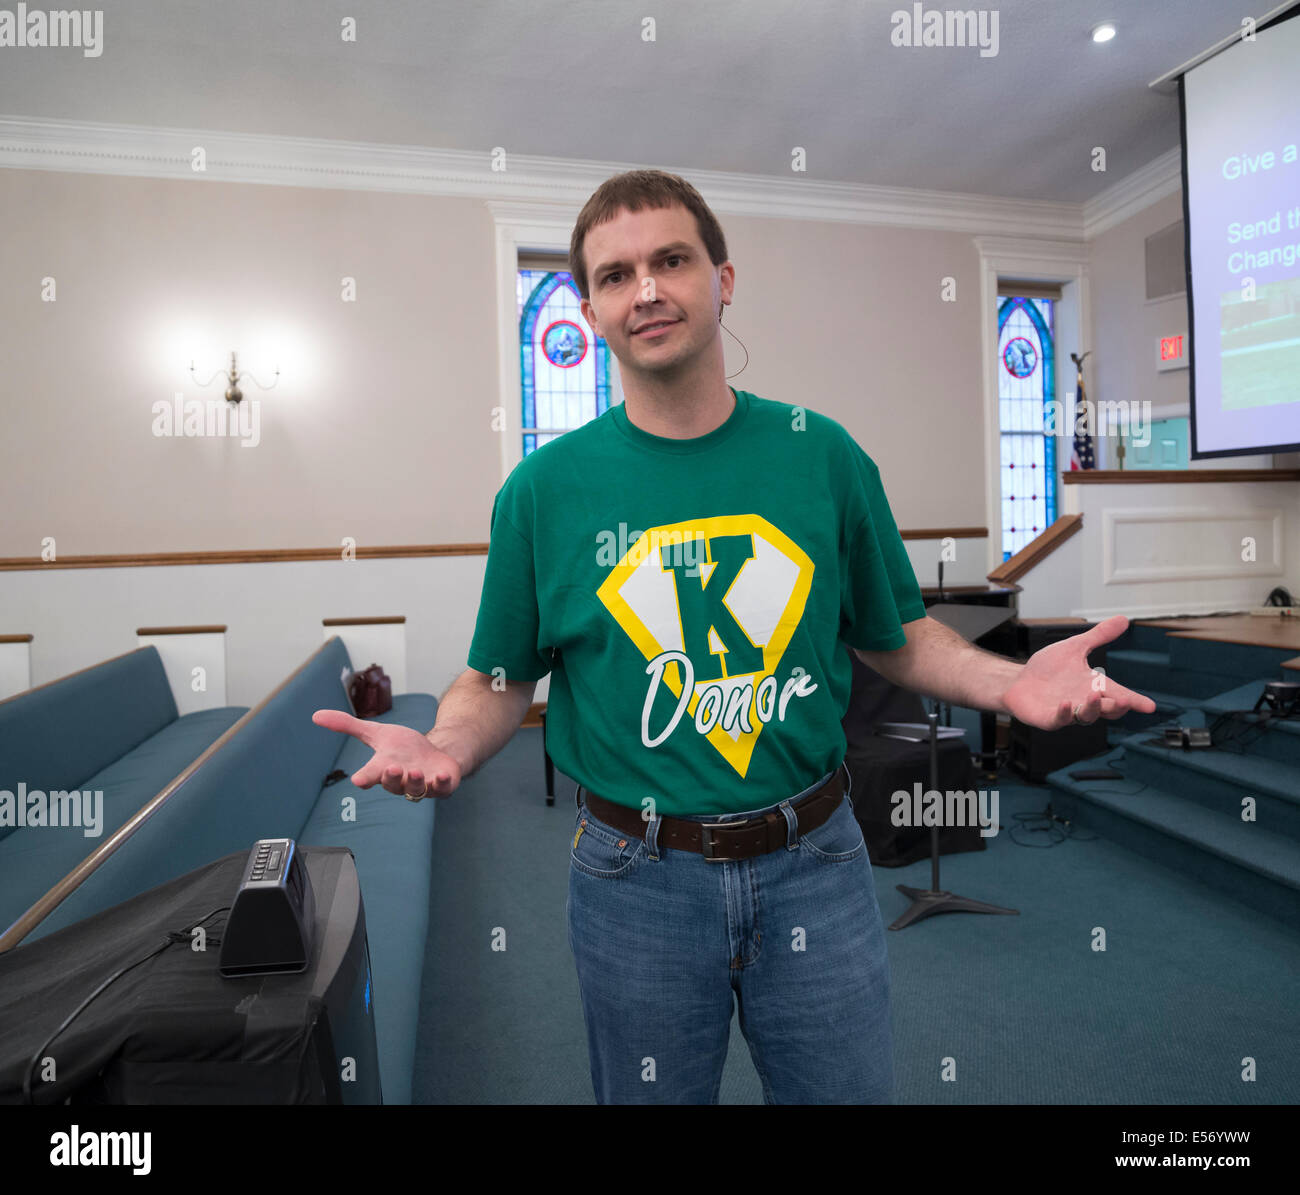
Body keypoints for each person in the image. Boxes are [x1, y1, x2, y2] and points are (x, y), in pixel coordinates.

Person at [313, 168, 1156, 1104]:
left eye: (671, 260)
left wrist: (1010, 685)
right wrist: (445, 746)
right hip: (633, 876)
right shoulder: (544, 492)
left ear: (723, 278)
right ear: (589, 310)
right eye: (614, 275)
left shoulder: (822, 455)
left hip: (818, 859)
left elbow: (896, 637)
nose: (647, 291)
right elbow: (498, 680)